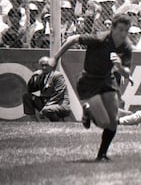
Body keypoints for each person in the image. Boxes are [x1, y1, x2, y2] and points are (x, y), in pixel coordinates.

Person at [49, 14, 133, 162]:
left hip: (107, 80)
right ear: (112, 29)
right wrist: (55, 58)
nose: (123, 34)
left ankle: (102, 155)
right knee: (103, 123)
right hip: (89, 81)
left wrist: (119, 65)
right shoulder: (99, 39)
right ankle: (87, 112)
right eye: (120, 29)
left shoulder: (126, 46)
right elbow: (73, 39)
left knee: (113, 120)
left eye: (126, 30)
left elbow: (126, 72)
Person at [23, 56, 71, 122]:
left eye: (46, 65)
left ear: (51, 66)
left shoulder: (57, 75)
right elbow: (30, 90)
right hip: (46, 103)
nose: (44, 68)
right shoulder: (41, 76)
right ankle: (34, 122)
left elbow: (58, 93)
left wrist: (47, 106)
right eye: (42, 65)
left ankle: (59, 122)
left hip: (59, 104)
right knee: (27, 97)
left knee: (47, 110)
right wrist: (33, 77)